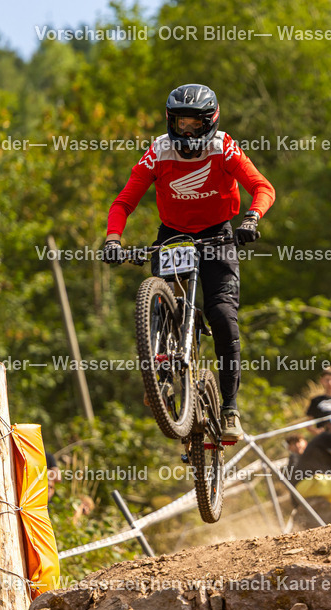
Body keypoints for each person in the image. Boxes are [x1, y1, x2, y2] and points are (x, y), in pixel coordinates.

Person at [102, 84, 275, 442]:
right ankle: (159, 374)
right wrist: (113, 238)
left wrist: (252, 219)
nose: (188, 132)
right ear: (170, 121)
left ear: (210, 122)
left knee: (225, 319)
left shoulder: (224, 147)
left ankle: (229, 409)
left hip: (218, 237)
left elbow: (262, 187)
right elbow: (124, 202)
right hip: (174, 235)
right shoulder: (158, 152)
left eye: (195, 124)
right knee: (158, 302)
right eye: (181, 123)